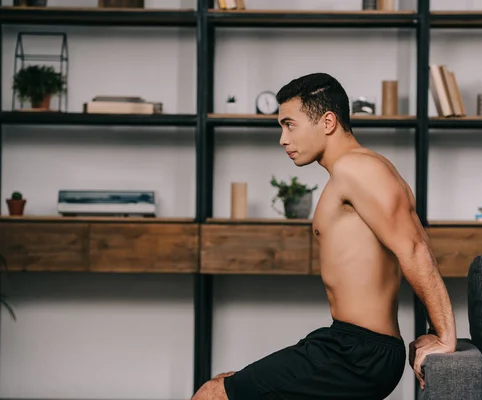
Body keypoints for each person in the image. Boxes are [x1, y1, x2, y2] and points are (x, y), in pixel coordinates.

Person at [192, 72, 457, 400]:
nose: (283, 139)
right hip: (345, 342)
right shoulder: (364, 169)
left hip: (358, 353)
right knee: (225, 380)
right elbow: (418, 241)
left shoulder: (356, 170)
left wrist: (445, 336)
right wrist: (435, 329)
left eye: (290, 124)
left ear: (328, 121)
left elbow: (415, 248)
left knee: (212, 394)